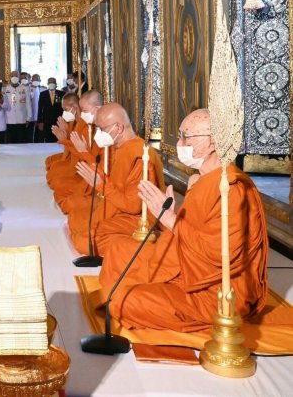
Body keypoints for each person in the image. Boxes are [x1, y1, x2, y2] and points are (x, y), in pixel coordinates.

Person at [108, 109, 268, 331]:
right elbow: (186, 235)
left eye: (186, 137)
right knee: (118, 251)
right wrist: (170, 218)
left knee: (126, 301)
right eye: (180, 135)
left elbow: (219, 254)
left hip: (215, 290)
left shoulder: (232, 189)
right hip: (187, 265)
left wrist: (171, 220)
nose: (180, 143)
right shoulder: (202, 179)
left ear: (212, 142)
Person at [68, 103, 163, 256]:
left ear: (118, 128)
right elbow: (111, 180)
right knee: (75, 218)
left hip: (137, 219)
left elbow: (133, 207)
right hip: (115, 205)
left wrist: (100, 184)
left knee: (83, 241)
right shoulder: (121, 147)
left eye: (102, 129)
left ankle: (134, 246)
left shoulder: (139, 155)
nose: (98, 133)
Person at [4, 71, 35, 143]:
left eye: (16, 76)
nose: (14, 77)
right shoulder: (6, 89)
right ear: (10, 77)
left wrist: (29, 118)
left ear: (19, 78)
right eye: (12, 76)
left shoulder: (25, 88)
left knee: (21, 141)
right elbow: (4, 104)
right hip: (9, 120)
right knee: (10, 141)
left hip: (22, 119)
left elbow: (28, 104)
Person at [36, 77, 63, 143]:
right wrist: (40, 121)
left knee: (57, 139)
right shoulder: (43, 94)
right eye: (50, 82)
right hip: (46, 121)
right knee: (48, 139)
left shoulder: (61, 93)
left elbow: (62, 108)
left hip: (58, 121)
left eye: (53, 82)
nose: (51, 84)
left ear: (56, 84)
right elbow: (40, 108)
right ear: (47, 84)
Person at [28, 73, 43, 142]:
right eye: (34, 79)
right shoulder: (28, 89)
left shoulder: (41, 89)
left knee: (38, 135)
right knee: (30, 135)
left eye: (37, 79)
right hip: (30, 117)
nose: (35, 81)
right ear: (31, 80)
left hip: (39, 116)